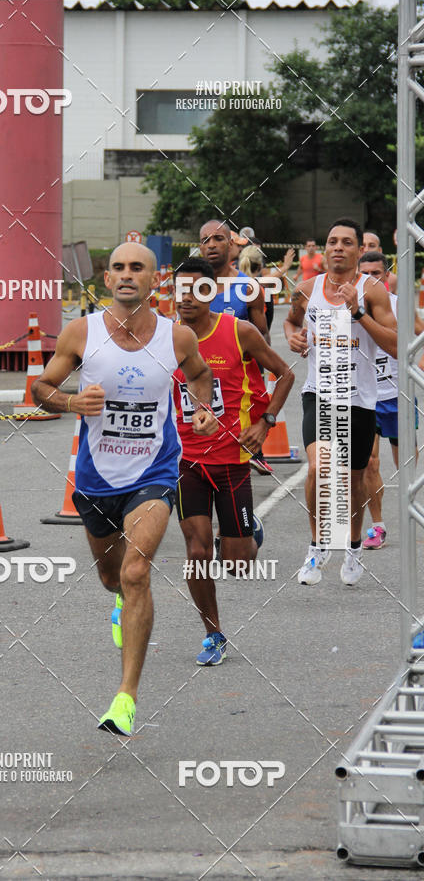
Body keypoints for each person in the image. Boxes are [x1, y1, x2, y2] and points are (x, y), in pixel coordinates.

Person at [31, 241, 218, 736]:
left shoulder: (176, 337)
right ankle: (118, 599)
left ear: (156, 280)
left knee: (137, 573)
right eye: (118, 268)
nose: (127, 274)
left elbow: (201, 377)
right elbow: (41, 389)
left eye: (138, 267)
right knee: (113, 578)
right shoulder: (82, 332)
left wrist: (204, 410)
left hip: (154, 472)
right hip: (96, 479)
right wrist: (73, 403)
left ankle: (125, 697)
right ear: (107, 279)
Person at [173, 258, 294, 664]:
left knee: (240, 564)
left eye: (197, 288)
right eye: (180, 288)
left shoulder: (238, 332)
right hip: (185, 460)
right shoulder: (162, 338)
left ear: (213, 292)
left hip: (232, 459)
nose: (187, 296)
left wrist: (266, 423)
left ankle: (245, 530)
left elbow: (285, 373)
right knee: (196, 551)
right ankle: (213, 634)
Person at [283, 218, 397, 587]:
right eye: (332, 241)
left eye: (346, 242)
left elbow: (395, 345)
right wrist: (294, 338)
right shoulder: (305, 289)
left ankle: (351, 547)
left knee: (353, 480)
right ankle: (317, 546)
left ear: (359, 250)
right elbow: (291, 322)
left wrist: (358, 313)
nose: (337, 247)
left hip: (360, 399)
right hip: (319, 393)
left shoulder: (373, 291)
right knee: (319, 469)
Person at [198, 219, 272, 475]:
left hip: (237, 386)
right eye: (206, 240)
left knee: (233, 465)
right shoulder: (189, 287)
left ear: (231, 245)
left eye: (218, 239)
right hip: (199, 381)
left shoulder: (249, 288)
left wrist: (258, 373)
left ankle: (244, 512)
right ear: (199, 247)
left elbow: (262, 336)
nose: (212, 245)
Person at [359, 251, 419, 549]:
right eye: (365, 273)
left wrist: (416, 366)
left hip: (398, 395)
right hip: (365, 399)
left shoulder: (399, 306)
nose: (371, 278)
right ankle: (378, 526)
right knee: (369, 463)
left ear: (387, 276)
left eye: (377, 273)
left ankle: (413, 515)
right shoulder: (349, 307)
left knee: (406, 463)